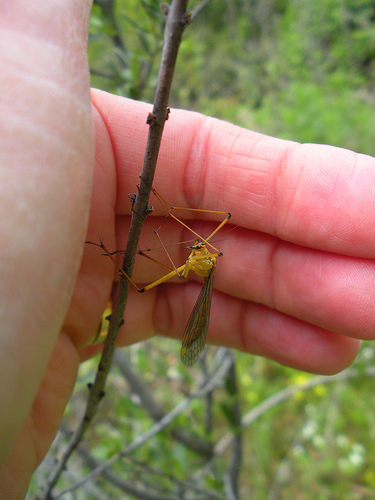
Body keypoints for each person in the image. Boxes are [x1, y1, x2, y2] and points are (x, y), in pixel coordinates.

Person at [1, 1, 374, 497]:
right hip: (141, 266)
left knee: (153, 263)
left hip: (156, 282)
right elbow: (178, 231)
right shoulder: (197, 246)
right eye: (208, 252)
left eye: (208, 255)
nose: (208, 250)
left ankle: (120, 283)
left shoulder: (200, 265)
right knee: (155, 249)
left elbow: (181, 249)